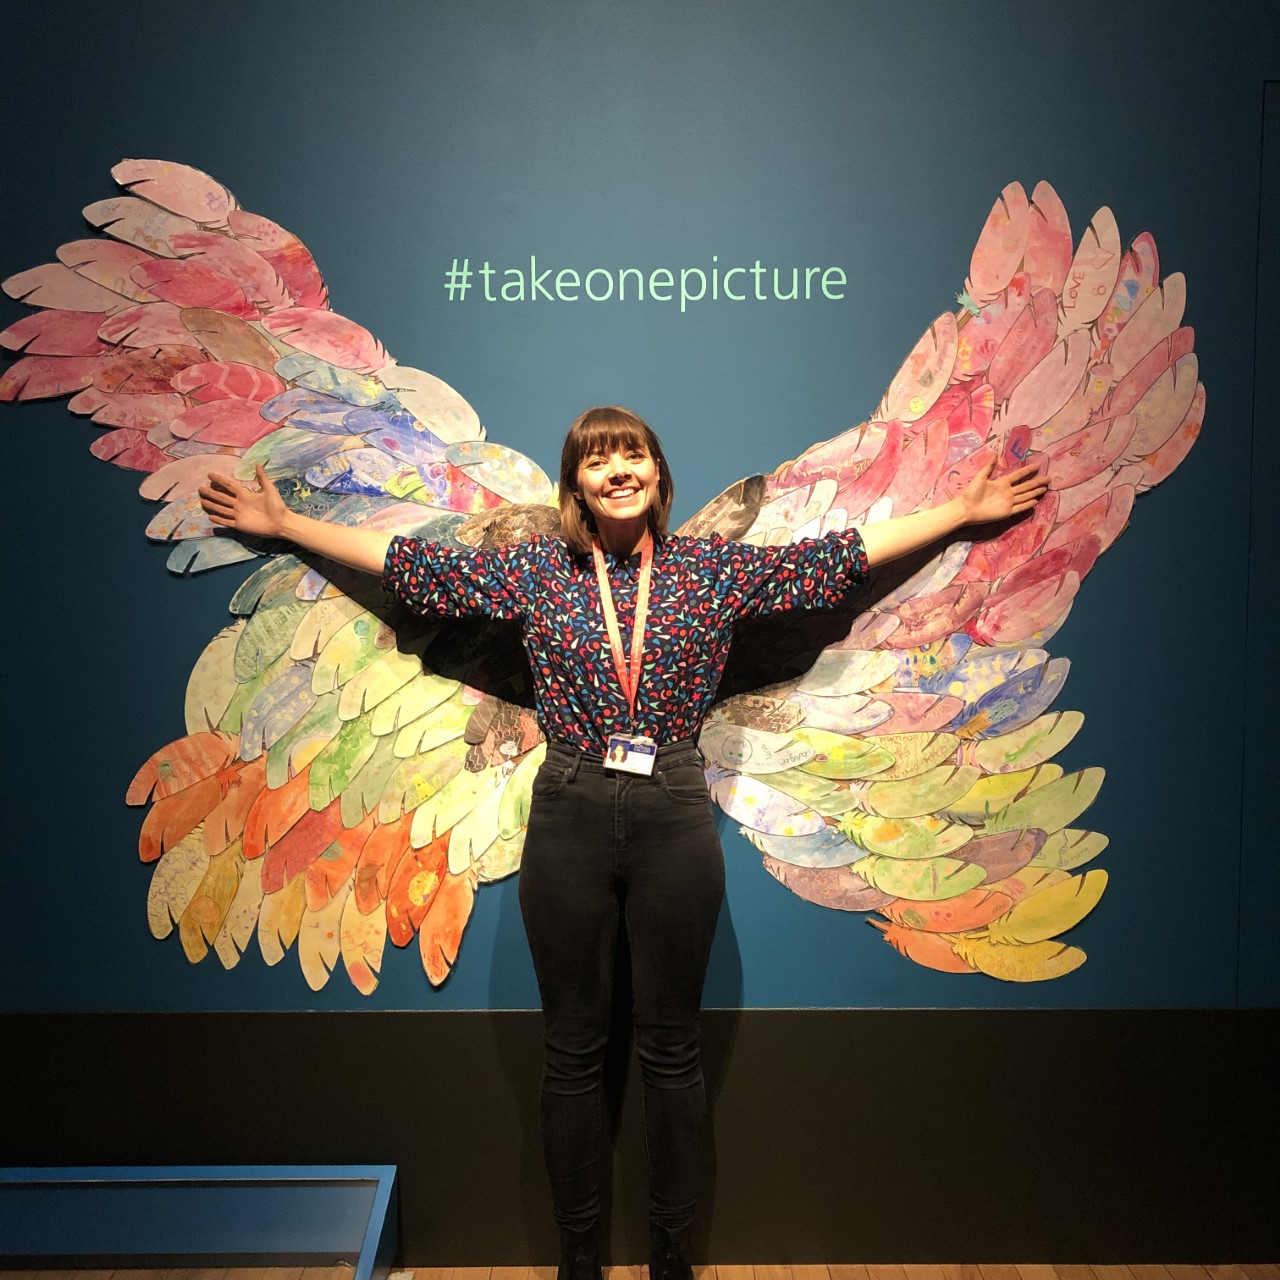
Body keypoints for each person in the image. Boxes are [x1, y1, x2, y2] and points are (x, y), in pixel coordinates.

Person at [199, 405, 1046, 1280]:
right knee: (571, 1052)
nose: (618, 471)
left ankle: (672, 1262)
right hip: (567, 802)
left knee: (671, 1051)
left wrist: (960, 515)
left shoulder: (711, 570)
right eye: (597, 461)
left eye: (632, 454)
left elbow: (836, 563)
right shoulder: (535, 571)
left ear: (657, 472)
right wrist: (286, 525)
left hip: (675, 807)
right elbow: (419, 571)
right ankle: (579, 1264)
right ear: (575, 486)